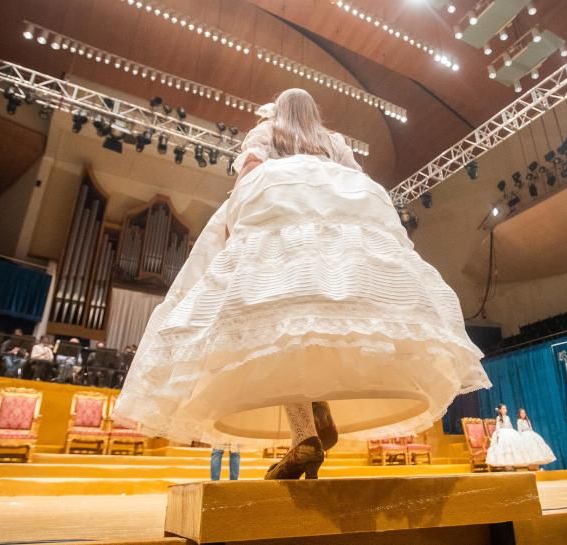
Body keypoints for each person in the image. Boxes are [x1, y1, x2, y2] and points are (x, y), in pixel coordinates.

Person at [115, 88, 490, 480]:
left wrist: (235, 235)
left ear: (279, 111)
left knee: (280, 333)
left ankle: (307, 433)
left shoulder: (265, 133)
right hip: (331, 236)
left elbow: (247, 182)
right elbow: (356, 182)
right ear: (315, 113)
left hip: (281, 233)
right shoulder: (333, 142)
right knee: (318, 320)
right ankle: (318, 413)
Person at [485, 404, 528, 470]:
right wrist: (498, 434)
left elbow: (510, 426)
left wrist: (513, 432)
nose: (505, 410)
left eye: (506, 408)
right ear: (500, 410)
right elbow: (498, 426)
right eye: (503, 408)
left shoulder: (507, 417)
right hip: (502, 432)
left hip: (508, 431)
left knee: (511, 446)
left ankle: (510, 463)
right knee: (504, 447)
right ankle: (506, 464)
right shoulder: (499, 417)